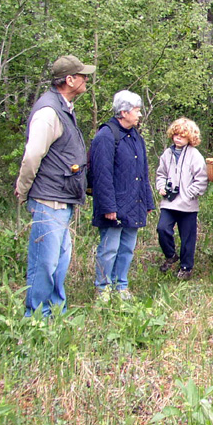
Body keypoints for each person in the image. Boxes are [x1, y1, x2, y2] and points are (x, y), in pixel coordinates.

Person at [15, 55, 96, 317]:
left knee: (59, 262)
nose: (86, 79)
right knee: (44, 262)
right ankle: (35, 318)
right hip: (48, 199)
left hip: (61, 199)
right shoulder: (49, 112)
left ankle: (55, 312)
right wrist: (23, 188)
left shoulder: (64, 107)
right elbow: (32, 156)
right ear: (69, 80)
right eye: (82, 75)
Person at [89, 90, 155, 301]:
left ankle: (121, 286)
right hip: (114, 205)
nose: (139, 115)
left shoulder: (136, 137)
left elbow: (142, 173)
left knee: (127, 247)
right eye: (136, 111)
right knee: (109, 248)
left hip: (134, 203)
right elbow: (101, 175)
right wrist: (108, 207)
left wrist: (147, 200)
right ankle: (103, 289)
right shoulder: (105, 136)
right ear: (124, 112)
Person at [155, 118, 209, 280]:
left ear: (190, 138)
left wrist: (189, 193)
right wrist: (161, 187)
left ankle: (186, 267)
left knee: (188, 238)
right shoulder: (167, 154)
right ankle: (170, 255)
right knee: (162, 228)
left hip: (188, 205)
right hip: (169, 202)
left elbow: (202, 179)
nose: (178, 138)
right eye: (176, 134)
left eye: (183, 136)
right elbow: (161, 174)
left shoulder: (194, 155)